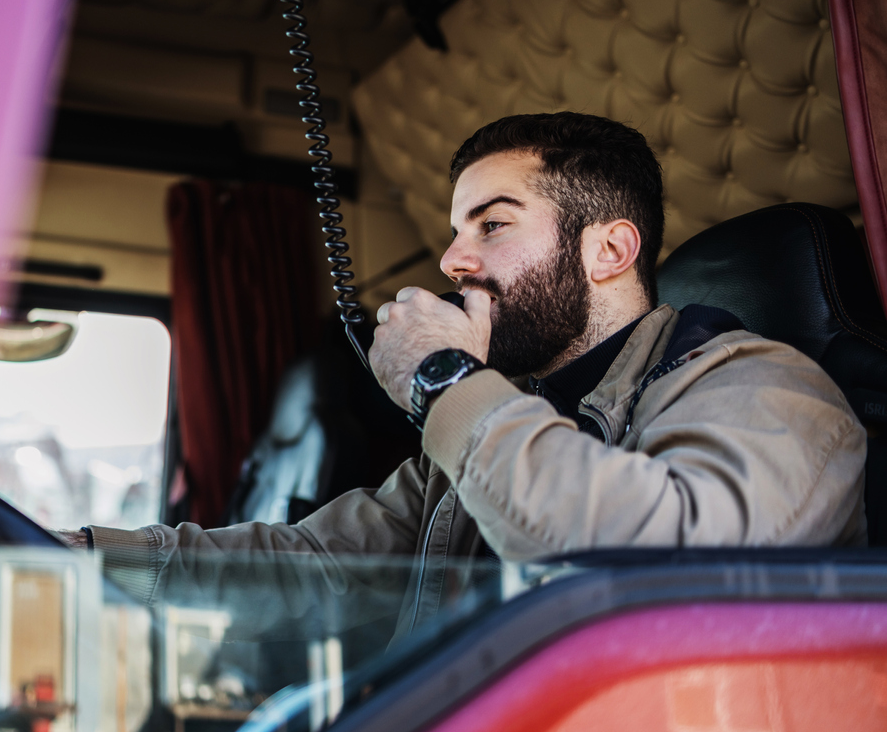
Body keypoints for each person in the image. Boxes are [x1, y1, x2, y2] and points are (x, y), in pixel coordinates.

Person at [49, 112, 869, 641]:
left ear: (610, 251)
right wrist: (80, 557)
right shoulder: (503, 419)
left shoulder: (766, 391)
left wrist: (442, 378)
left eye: (494, 225)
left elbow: (648, 577)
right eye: (454, 230)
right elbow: (314, 565)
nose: (452, 260)